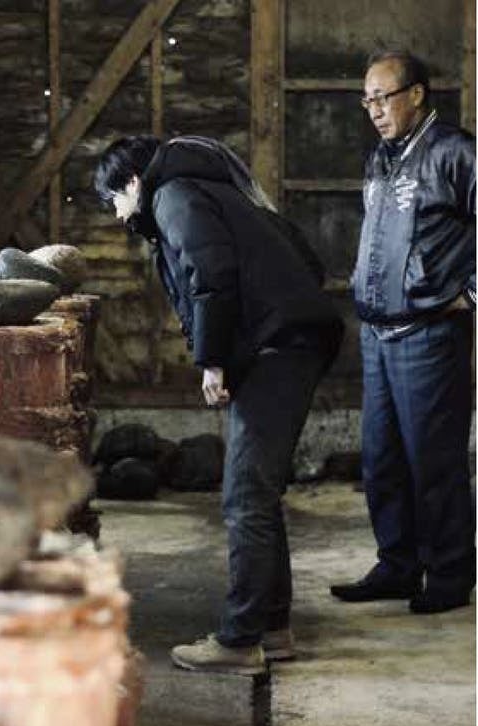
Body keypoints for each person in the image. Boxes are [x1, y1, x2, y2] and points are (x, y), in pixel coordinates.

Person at [94, 135, 344, 675]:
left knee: (244, 495)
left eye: (114, 200)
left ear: (133, 181)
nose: (116, 215)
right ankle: (272, 628)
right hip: (288, 342)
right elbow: (305, 259)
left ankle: (239, 641)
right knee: (258, 491)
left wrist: (212, 360)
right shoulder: (217, 188)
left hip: (279, 347)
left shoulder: (173, 194)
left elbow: (211, 274)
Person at [329, 51, 475, 614]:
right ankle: (398, 565)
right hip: (378, 334)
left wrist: (471, 295)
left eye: (383, 97)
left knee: (433, 462)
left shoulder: (455, 152)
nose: (374, 110)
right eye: (367, 100)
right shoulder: (382, 157)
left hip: (429, 335)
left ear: (416, 94)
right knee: (382, 459)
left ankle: (450, 574)